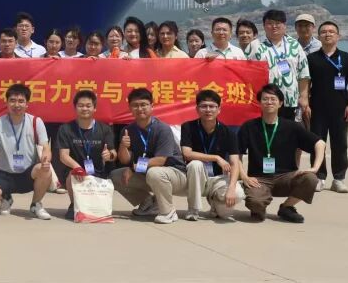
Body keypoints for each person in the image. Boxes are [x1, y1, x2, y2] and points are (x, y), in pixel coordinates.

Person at [237, 84, 324, 222]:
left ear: (280, 103)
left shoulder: (292, 127)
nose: (269, 102)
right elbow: (236, 154)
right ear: (259, 103)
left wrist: (315, 167)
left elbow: (320, 143)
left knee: (310, 179)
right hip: (259, 179)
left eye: (273, 99)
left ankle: (287, 207)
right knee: (255, 204)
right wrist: (244, 176)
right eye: (265, 99)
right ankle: (259, 206)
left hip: (286, 177)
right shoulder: (249, 126)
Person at [113, 88, 187, 220]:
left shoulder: (162, 129)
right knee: (116, 176)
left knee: (155, 173)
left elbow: (161, 160)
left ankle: (168, 211)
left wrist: (133, 168)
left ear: (152, 106)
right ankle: (148, 203)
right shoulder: (127, 130)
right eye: (135, 105)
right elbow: (125, 160)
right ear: (130, 108)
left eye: (143, 104)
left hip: (175, 174)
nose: (140, 108)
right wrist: (123, 146)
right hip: (149, 173)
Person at [0, 84, 53, 219]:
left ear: (27, 104)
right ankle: (6, 198)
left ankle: (36, 204)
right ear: (7, 102)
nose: (17, 105)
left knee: (45, 170)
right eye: (13, 100)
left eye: (21, 101)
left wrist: (46, 159)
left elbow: (46, 147)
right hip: (4, 174)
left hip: (28, 174)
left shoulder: (35, 121)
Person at [307, 21, 348, 193]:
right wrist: (305, 104)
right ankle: (319, 177)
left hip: (340, 110)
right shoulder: (312, 58)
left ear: (338, 36)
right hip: (317, 109)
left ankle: (339, 179)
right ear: (319, 36)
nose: (327, 34)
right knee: (316, 144)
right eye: (324, 32)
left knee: (340, 145)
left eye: (331, 31)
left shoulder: (347, 58)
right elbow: (306, 83)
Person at [180, 90, 243, 221]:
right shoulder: (188, 127)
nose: (208, 110)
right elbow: (187, 154)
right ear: (197, 109)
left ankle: (214, 200)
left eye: (212, 106)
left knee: (236, 195)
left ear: (219, 109)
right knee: (195, 164)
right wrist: (216, 158)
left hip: (217, 179)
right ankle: (193, 208)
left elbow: (234, 162)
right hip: (195, 178)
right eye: (203, 106)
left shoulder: (228, 132)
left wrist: (231, 188)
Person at [52, 89, 116, 219]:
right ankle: (74, 204)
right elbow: (63, 155)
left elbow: (113, 152)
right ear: (75, 108)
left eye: (88, 105)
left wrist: (110, 155)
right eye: (81, 105)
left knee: (97, 212)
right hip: (76, 173)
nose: (84, 109)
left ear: (94, 108)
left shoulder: (105, 129)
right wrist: (78, 168)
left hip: (98, 173)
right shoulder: (66, 129)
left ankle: (93, 205)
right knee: (72, 174)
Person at [251, 9, 311, 122]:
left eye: (278, 23)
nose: (274, 26)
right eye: (270, 23)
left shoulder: (294, 45)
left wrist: (303, 97)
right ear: (264, 26)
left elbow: (303, 73)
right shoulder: (255, 46)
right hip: (265, 101)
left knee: (287, 130)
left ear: (284, 25)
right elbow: (243, 70)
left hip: (290, 100)